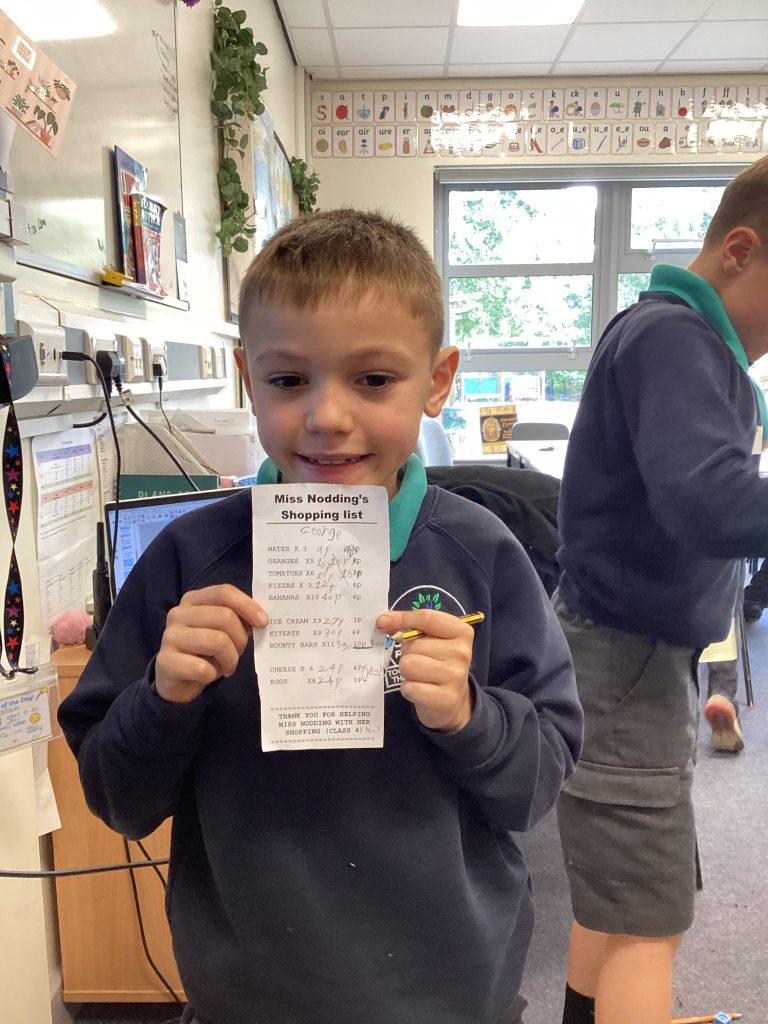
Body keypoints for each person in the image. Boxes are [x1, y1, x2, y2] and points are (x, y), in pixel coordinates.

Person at [58, 209, 583, 1024]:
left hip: (450, 996)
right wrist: (162, 699)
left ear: (437, 380)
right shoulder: (189, 561)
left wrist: (470, 716)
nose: (327, 417)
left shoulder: (482, 554)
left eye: (373, 380)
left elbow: (537, 787)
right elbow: (118, 801)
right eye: (288, 380)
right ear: (248, 377)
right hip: (247, 1000)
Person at [554, 156, 768, 1024]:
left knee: (618, 890)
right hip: (622, 661)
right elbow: (706, 499)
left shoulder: (673, 335)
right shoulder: (676, 338)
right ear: (741, 251)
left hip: (627, 656)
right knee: (651, 918)